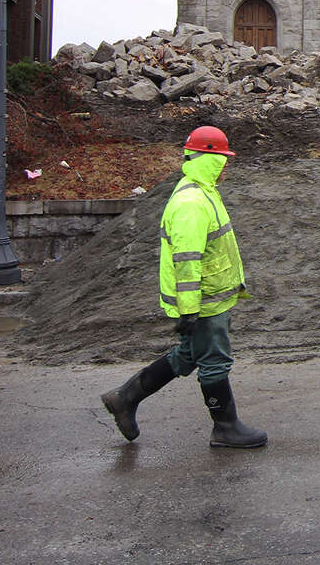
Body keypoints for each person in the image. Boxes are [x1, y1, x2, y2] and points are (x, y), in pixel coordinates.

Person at [101, 125, 266, 448]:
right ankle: (225, 427)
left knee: (188, 355)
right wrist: (190, 310)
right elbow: (187, 260)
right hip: (204, 303)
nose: (226, 165)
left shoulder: (201, 192)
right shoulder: (192, 201)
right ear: (208, 158)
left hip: (208, 299)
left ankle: (125, 398)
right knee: (214, 359)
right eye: (222, 158)